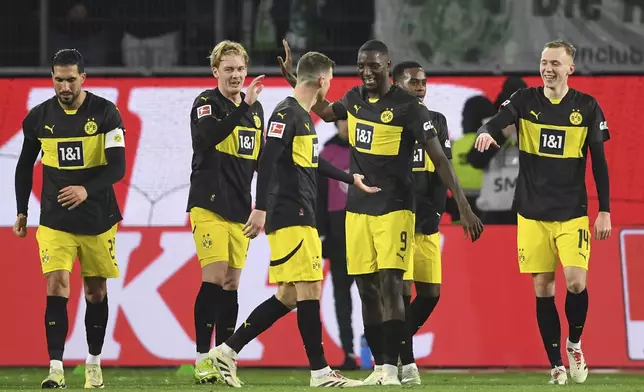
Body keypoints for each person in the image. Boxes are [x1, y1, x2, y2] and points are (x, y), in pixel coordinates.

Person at [278, 39, 483, 385]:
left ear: (387, 66)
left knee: (391, 287)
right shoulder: (355, 98)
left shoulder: (409, 107)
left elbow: (439, 159)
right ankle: (382, 365)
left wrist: (463, 204)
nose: (367, 71)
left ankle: (392, 368)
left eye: (373, 65)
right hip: (357, 210)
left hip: (395, 208)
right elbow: (326, 111)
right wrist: (294, 80)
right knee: (367, 290)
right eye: (361, 65)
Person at [209, 51, 377, 388]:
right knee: (309, 290)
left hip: (298, 214)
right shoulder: (286, 113)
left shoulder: (300, 114)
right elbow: (268, 159)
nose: (330, 86)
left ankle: (226, 351)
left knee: (288, 295)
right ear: (321, 81)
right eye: (329, 80)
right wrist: (260, 208)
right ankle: (320, 373)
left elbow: (312, 162)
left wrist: (350, 178)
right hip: (292, 214)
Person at [475, 40, 612, 385]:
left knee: (577, 283)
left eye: (555, 63)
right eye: (544, 62)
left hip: (572, 213)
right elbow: (497, 121)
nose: (548, 68)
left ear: (570, 69)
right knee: (543, 287)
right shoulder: (524, 100)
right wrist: (485, 133)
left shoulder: (587, 106)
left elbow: (600, 164)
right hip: (532, 214)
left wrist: (605, 210)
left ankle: (574, 343)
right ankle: (555, 366)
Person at [13, 49, 126, 389]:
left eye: (71, 79)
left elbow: (117, 167)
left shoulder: (106, 113)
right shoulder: (38, 118)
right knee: (57, 284)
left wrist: (86, 190)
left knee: (95, 291)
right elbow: (23, 166)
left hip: (98, 218)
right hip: (55, 219)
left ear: (83, 78)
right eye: (58, 79)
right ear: (52, 78)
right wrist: (22, 210)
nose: (64, 86)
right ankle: (56, 368)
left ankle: (93, 363)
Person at [186, 40, 265, 384]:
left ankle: (224, 356)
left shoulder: (258, 112)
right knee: (214, 277)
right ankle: (202, 356)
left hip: (239, 208)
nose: (236, 75)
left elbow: (262, 162)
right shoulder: (206, 103)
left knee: (232, 284)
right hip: (208, 205)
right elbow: (211, 135)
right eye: (229, 69)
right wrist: (245, 105)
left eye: (240, 69)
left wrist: (262, 205)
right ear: (215, 71)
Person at [391, 61, 450, 385]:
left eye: (423, 81)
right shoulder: (389, 120)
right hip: (398, 218)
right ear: (397, 84)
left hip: (426, 221)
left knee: (430, 294)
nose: (420, 87)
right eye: (413, 82)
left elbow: (443, 169)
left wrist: (440, 212)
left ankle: (395, 343)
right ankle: (407, 361)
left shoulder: (437, 121)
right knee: (402, 294)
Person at [316, 119, 358, 370]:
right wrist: (321, 234)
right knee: (342, 298)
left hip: (365, 232)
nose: (346, 125)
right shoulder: (327, 154)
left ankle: (381, 352)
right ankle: (349, 353)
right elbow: (318, 197)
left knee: (373, 295)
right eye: (342, 120)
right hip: (338, 236)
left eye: (350, 120)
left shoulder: (369, 150)